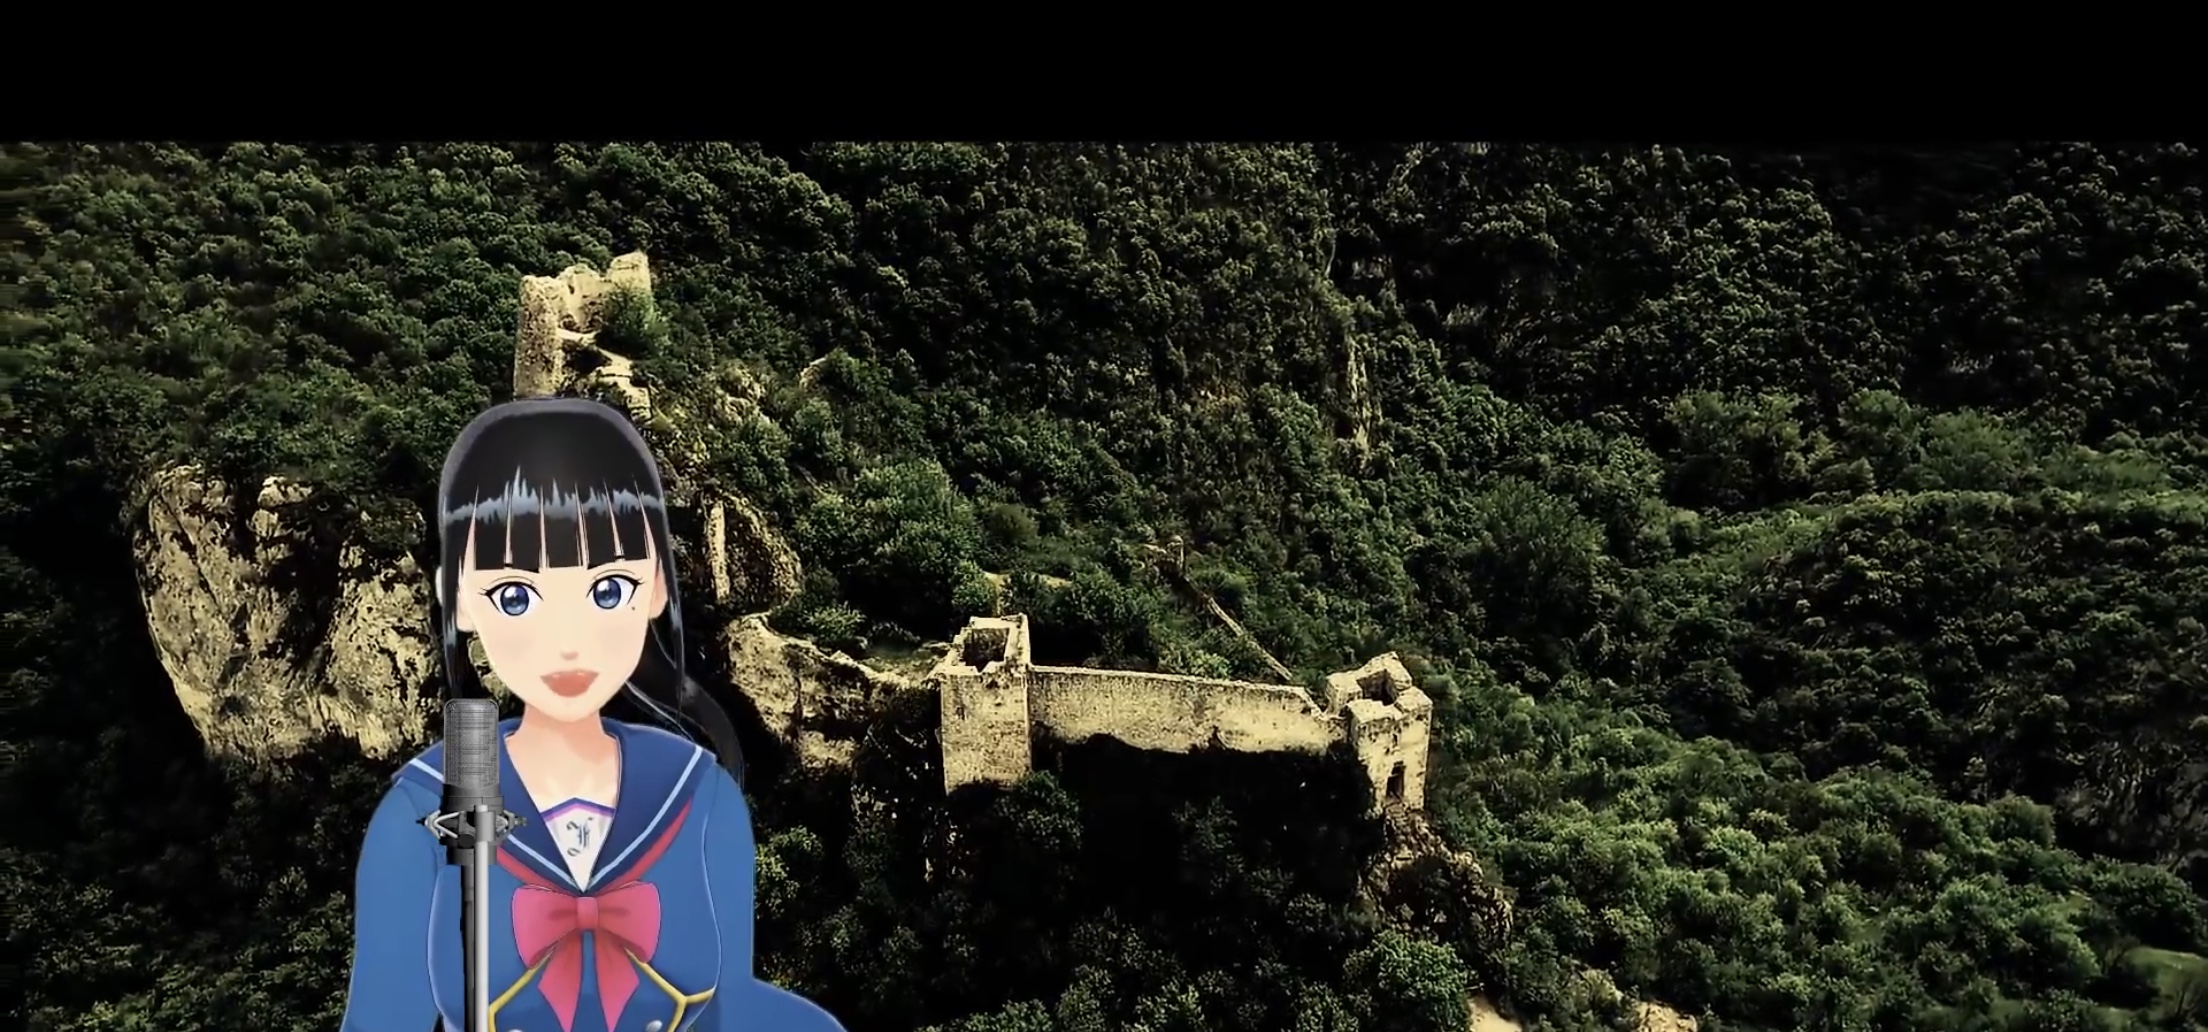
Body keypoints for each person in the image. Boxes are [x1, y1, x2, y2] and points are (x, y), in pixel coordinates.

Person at [341, 398, 845, 1032]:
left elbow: (728, 1008)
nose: (568, 642)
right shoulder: (422, 810)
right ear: (459, 599)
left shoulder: (699, 794)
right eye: (515, 596)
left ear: (657, 585)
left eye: (608, 590)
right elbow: (381, 1020)